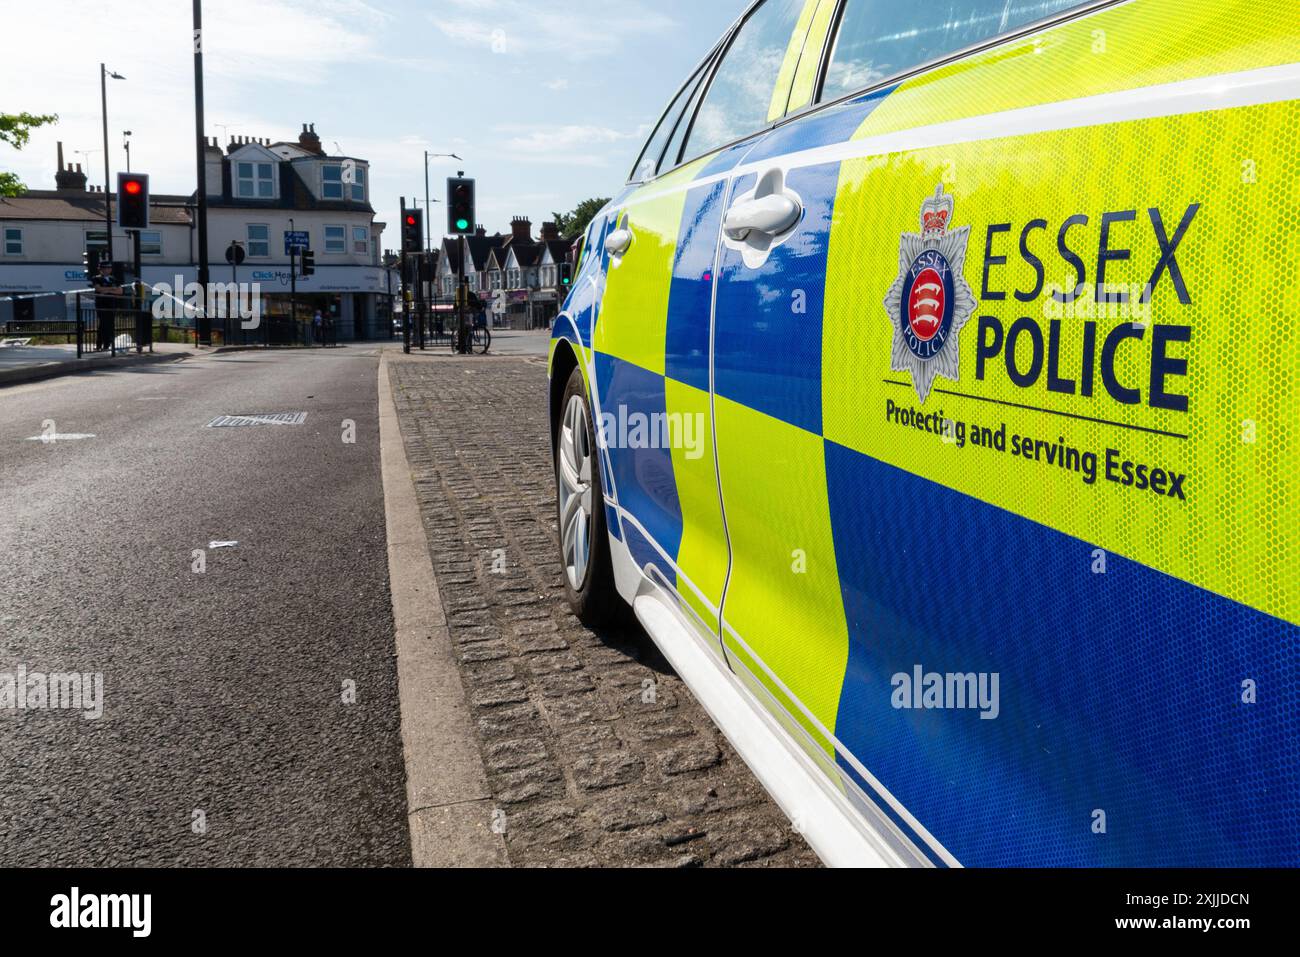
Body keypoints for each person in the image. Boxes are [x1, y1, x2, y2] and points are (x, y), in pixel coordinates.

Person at [90, 260, 124, 352]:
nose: (106, 270)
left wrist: (107, 291)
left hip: (111, 304)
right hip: (101, 304)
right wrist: (112, 289)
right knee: (104, 324)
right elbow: (99, 289)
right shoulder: (96, 278)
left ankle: (104, 344)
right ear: (100, 269)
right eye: (104, 268)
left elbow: (120, 292)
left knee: (109, 324)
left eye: (108, 268)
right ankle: (103, 344)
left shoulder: (114, 279)